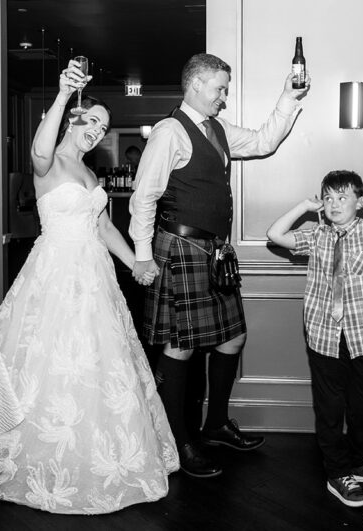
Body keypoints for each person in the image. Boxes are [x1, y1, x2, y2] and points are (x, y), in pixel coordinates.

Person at [0, 60, 178, 514]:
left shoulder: (92, 175)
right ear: (73, 118)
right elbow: (37, 148)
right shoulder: (48, 163)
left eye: (104, 126)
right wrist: (60, 96)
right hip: (54, 276)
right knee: (47, 362)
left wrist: (137, 262)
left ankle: (93, 455)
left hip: (95, 279)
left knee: (97, 363)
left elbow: (103, 226)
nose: (97, 131)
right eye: (91, 120)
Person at [129, 52, 307, 478]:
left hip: (215, 252)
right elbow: (143, 197)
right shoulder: (170, 132)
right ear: (195, 84)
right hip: (180, 248)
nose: (224, 97)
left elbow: (265, 141)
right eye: (220, 88)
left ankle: (215, 425)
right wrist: (140, 255)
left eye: (225, 89)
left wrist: (287, 97)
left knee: (232, 338)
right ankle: (179, 441)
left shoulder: (219, 129)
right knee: (181, 344)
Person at [266, 170, 363, 508]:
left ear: (359, 201)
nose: (333, 204)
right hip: (323, 333)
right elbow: (275, 234)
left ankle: (362, 461)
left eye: (342, 197)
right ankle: (337, 472)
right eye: (328, 197)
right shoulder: (316, 235)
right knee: (329, 407)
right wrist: (303, 206)